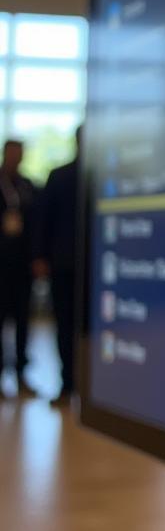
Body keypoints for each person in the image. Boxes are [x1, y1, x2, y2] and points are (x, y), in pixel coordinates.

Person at [38, 128, 81, 406]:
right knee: (65, 325)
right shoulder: (61, 176)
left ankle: (79, 386)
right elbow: (44, 221)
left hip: (86, 268)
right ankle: (69, 384)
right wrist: (40, 257)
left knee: (72, 327)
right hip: (65, 265)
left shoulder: (101, 176)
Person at [0, 139, 39, 398]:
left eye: (20, 154)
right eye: (12, 154)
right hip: (0, 263)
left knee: (24, 320)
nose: (16, 158)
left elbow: (38, 223)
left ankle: (22, 374)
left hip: (22, 264)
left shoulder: (28, 186)